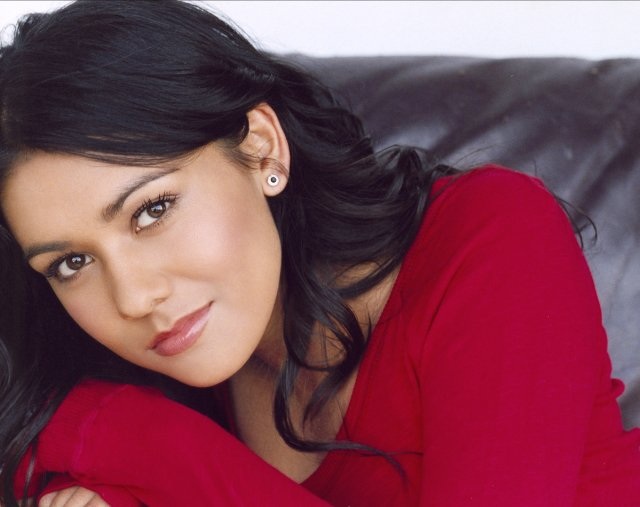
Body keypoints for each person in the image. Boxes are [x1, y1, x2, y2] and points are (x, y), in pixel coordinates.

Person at [0, 1, 638, 506]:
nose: (135, 298)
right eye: (71, 264)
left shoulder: (489, 236)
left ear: (260, 147)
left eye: (153, 210)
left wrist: (127, 438)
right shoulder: (177, 376)